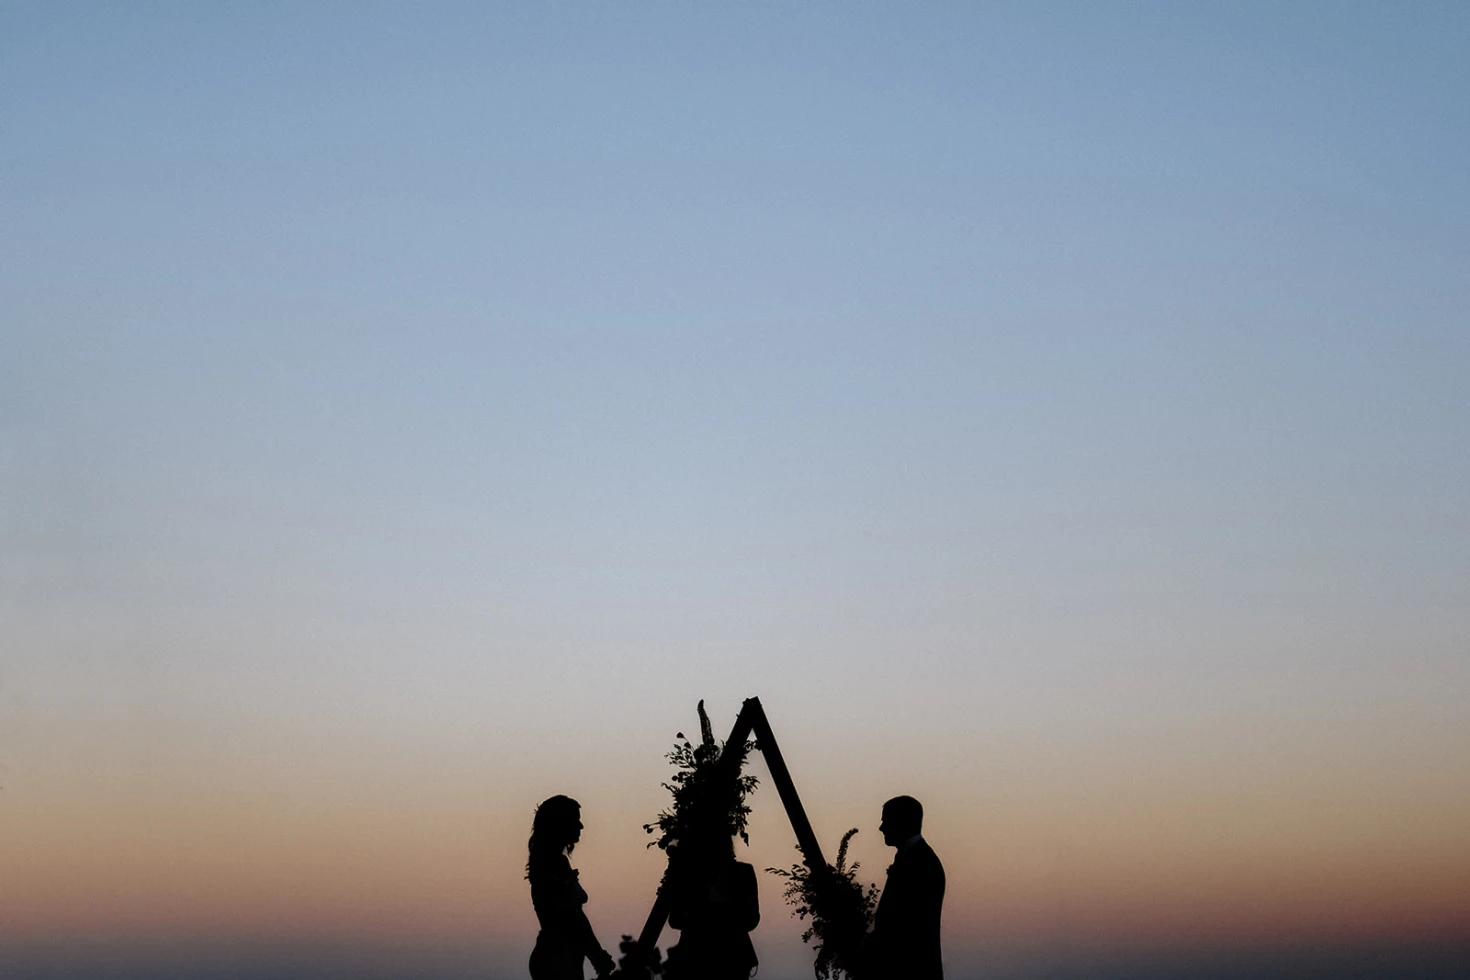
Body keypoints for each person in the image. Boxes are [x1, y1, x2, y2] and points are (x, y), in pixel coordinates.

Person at [526, 795, 616, 980]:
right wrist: (596, 955)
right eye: (575, 820)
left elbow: (576, 916)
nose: (581, 826)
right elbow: (571, 918)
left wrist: (595, 953)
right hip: (557, 959)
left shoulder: (552, 862)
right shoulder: (553, 864)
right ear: (560, 824)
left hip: (563, 956)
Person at [865, 795, 944, 980]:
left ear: (902, 821)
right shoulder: (914, 857)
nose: (881, 828)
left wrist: (869, 946)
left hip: (912, 971)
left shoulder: (921, 862)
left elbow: (906, 923)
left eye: (886, 821)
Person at [663, 830, 760, 980]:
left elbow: (752, 918)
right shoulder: (688, 875)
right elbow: (675, 919)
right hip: (696, 956)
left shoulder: (742, 872)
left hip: (732, 956)